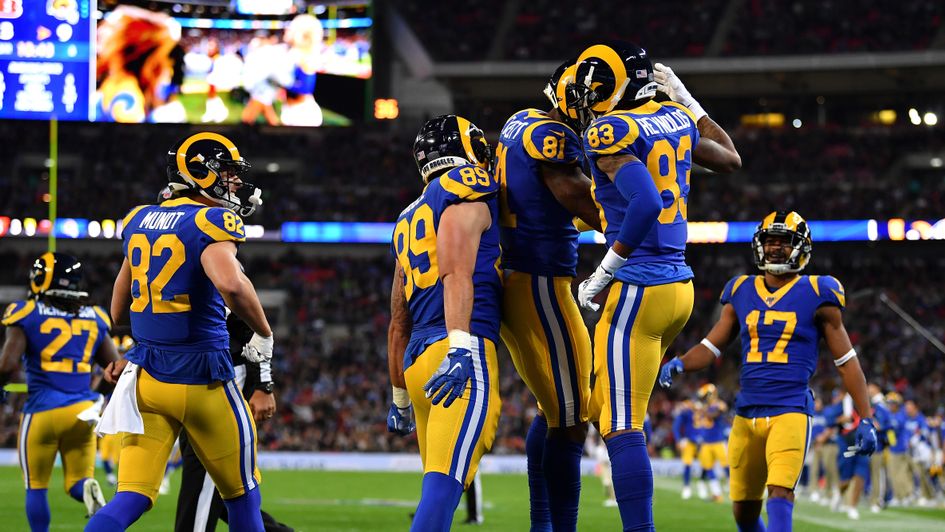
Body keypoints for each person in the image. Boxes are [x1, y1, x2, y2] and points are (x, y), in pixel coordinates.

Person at [566, 41, 741, 531]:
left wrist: (604, 271)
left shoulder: (612, 128)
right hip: (679, 288)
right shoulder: (677, 118)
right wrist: (691, 101)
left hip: (639, 287)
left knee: (623, 428)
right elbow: (730, 158)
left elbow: (643, 204)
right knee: (611, 408)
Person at [86, 132, 272, 532]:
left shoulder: (140, 219)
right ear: (199, 172)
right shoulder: (211, 219)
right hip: (202, 378)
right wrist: (264, 332)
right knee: (242, 497)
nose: (235, 183)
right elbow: (231, 284)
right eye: (227, 173)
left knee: (131, 497)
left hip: (147, 378)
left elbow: (117, 310)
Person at [659, 210, 878, 532]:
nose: (775, 248)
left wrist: (867, 416)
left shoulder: (820, 292)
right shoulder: (741, 289)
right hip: (746, 413)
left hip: (790, 409)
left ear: (801, 247)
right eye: (770, 241)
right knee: (744, 513)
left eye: (784, 242)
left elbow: (846, 361)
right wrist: (681, 362)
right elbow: (711, 345)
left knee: (780, 492)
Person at [494, 57, 601, 532]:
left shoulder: (521, 122)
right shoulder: (553, 138)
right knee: (574, 417)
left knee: (556, 410)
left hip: (520, 272)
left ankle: (543, 525)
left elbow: (540, 200)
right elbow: (580, 199)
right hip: (540, 280)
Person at [386, 115, 502, 532]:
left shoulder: (407, 216)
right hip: (456, 353)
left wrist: (399, 395)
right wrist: (459, 346)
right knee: (442, 491)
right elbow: (457, 272)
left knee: (438, 486)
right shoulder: (464, 189)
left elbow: (397, 318)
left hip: (416, 365)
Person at [1, 252, 119, 531]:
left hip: (43, 411)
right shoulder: (94, 315)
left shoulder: (27, 312)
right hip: (84, 411)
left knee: (36, 486)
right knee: (77, 481)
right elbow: (115, 367)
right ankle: (86, 488)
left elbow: (6, 365)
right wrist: (97, 395)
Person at [175, 313, 292, 532]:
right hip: (187, 375)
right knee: (220, 482)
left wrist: (263, 384)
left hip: (222, 373)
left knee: (203, 472)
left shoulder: (219, 280)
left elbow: (255, 327)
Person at [694, 384, 728, 502]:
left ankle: (736, 489)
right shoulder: (704, 407)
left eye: (704, 396)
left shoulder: (718, 405)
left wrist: (702, 409)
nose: (703, 399)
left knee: (727, 467)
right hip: (706, 443)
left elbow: (715, 414)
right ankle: (717, 494)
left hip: (718, 441)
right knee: (708, 469)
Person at [672, 398, 698, 500]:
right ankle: (686, 487)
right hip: (690, 441)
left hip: (705, 441)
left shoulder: (705, 410)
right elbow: (676, 426)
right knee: (687, 464)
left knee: (708, 465)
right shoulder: (686, 413)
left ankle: (702, 485)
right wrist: (678, 439)